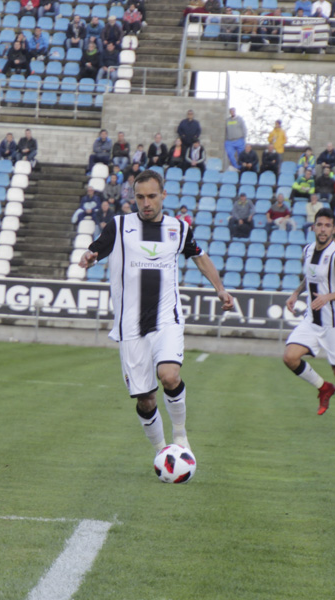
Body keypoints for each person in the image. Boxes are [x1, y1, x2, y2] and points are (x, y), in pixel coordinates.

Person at [78, 170, 235, 464]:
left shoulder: (179, 228)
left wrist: (220, 289)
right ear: (133, 197)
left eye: (151, 196)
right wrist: (89, 257)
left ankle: (180, 436)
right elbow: (95, 250)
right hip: (130, 327)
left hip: (167, 318)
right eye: (140, 197)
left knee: (169, 376)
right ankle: (162, 451)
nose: (145, 202)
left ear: (163, 195)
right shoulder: (119, 226)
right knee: (145, 398)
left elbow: (200, 257)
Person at [282, 208, 335, 434]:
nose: (322, 229)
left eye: (327, 226)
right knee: (289, 357)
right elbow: (310, 278)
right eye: (319, 225)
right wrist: (296, 293)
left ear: (333, 229)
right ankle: (323, 388)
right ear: (314, 227)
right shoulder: (308, 250)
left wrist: (327, 296)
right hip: (313, 319)